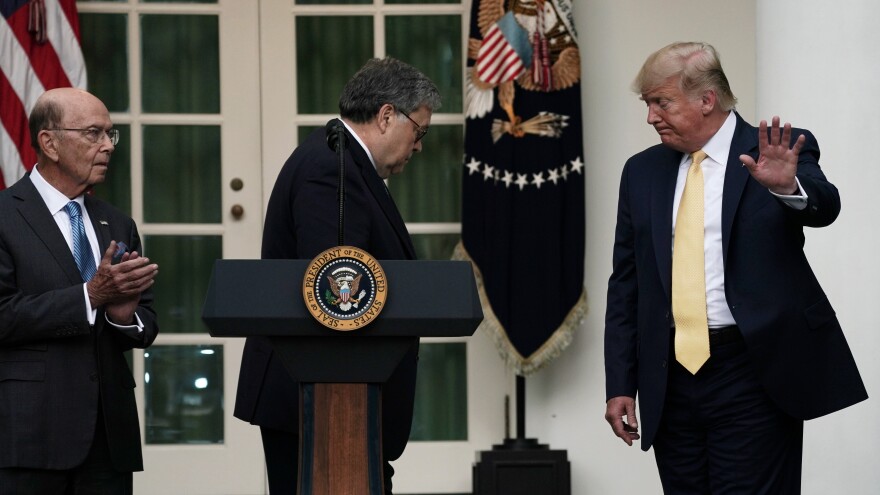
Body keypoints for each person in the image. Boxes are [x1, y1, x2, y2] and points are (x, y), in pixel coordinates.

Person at [603, 42, 867, 493]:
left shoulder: (775, 150)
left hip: (755, 372)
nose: (650, 117)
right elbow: (626, 283)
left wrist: (790, 188)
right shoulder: (641, 171)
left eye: (661, 102)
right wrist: (620, 382)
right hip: (671, 378)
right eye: (647, 104)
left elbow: (825, 207)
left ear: (706, 99)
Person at [234, 57, 441, 494]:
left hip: (339, 401)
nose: (419, 145)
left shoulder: (344, 162)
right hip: (319, 401)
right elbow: (333, 289)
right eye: (419, 131)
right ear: (387, 116)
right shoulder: (332, 167)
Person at [0, 88, 159, 493]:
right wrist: (91, 297)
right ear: (49, 143)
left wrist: (123, 317)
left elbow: (145, 321)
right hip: (31, 436)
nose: (108, 145)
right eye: (93, 133)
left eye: (110, 134)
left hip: (109, 438)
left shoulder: (117, 223)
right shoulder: (5, 216)